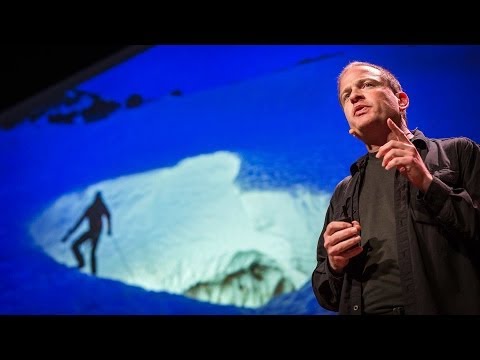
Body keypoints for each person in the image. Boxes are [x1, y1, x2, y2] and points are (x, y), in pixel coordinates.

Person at [311, 61, 480, 315]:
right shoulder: (344, 192)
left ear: (401, 100)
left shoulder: (458, 153)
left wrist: (427, 182)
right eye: (346, 96)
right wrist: (335, 264)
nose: (355, 95)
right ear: (349, 125)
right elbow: (326, 294)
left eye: (366, 84)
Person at [61, 191, 112, 275]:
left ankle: (83, 265)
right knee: (91, 252)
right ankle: (92, 272)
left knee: (76, 246)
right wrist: (109, 230)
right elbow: (108, 216)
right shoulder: (99, 207)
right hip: (96, 232)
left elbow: (80, 221)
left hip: (94, 232)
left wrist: (69, 235)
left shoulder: (92, 207)